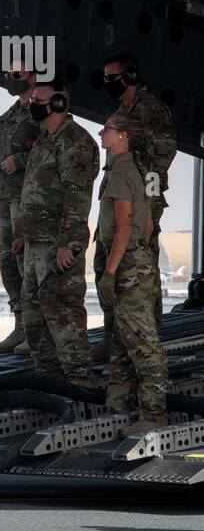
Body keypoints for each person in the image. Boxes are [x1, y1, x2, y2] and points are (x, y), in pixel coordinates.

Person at [91, 53, 176, 360]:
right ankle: (114, 336)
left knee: (141, 271)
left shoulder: (151, 111)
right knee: (105, 263)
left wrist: (150, 201)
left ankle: (147, 333)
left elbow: (161, 159)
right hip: (118, 195)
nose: (107, 84)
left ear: (131, 75)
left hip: (139, 199)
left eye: (112, 78)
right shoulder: (121, 112)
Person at [13, 84, 99, 385]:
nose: (33, 105)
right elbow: (34, 190)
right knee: (34, 315)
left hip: (58, 244)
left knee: (62, 313)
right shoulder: (43, 139)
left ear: (59, 102)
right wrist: (24, 232)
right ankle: (50, 381)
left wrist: (68, 245)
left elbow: (77, 199)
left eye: (39, 101)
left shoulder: (75, 144)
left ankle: (79, 383)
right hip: (36, 243)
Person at [95, 113, 169, 436]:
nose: (101, 134)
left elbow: (124, 229)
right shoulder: (129, 169)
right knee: (122, 343)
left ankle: (154, 415)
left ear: (122, 136)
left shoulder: (122, 172)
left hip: (127, 264)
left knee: (142, 343)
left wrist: (110, 273)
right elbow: (148, 225)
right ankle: (118, 409)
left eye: (107, 129)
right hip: (137, 261)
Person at [0, 62, 40, 352]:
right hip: (5, 200)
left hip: (28, 200)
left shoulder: (42, 114)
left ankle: (34, 329)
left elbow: (50, 154)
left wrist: (20, 161)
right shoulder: (5, 120)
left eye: (16, 75)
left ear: (33, 76)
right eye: (7, 75)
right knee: (8, 262)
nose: (10, 79)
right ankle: (20, 325)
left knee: (26, 261)